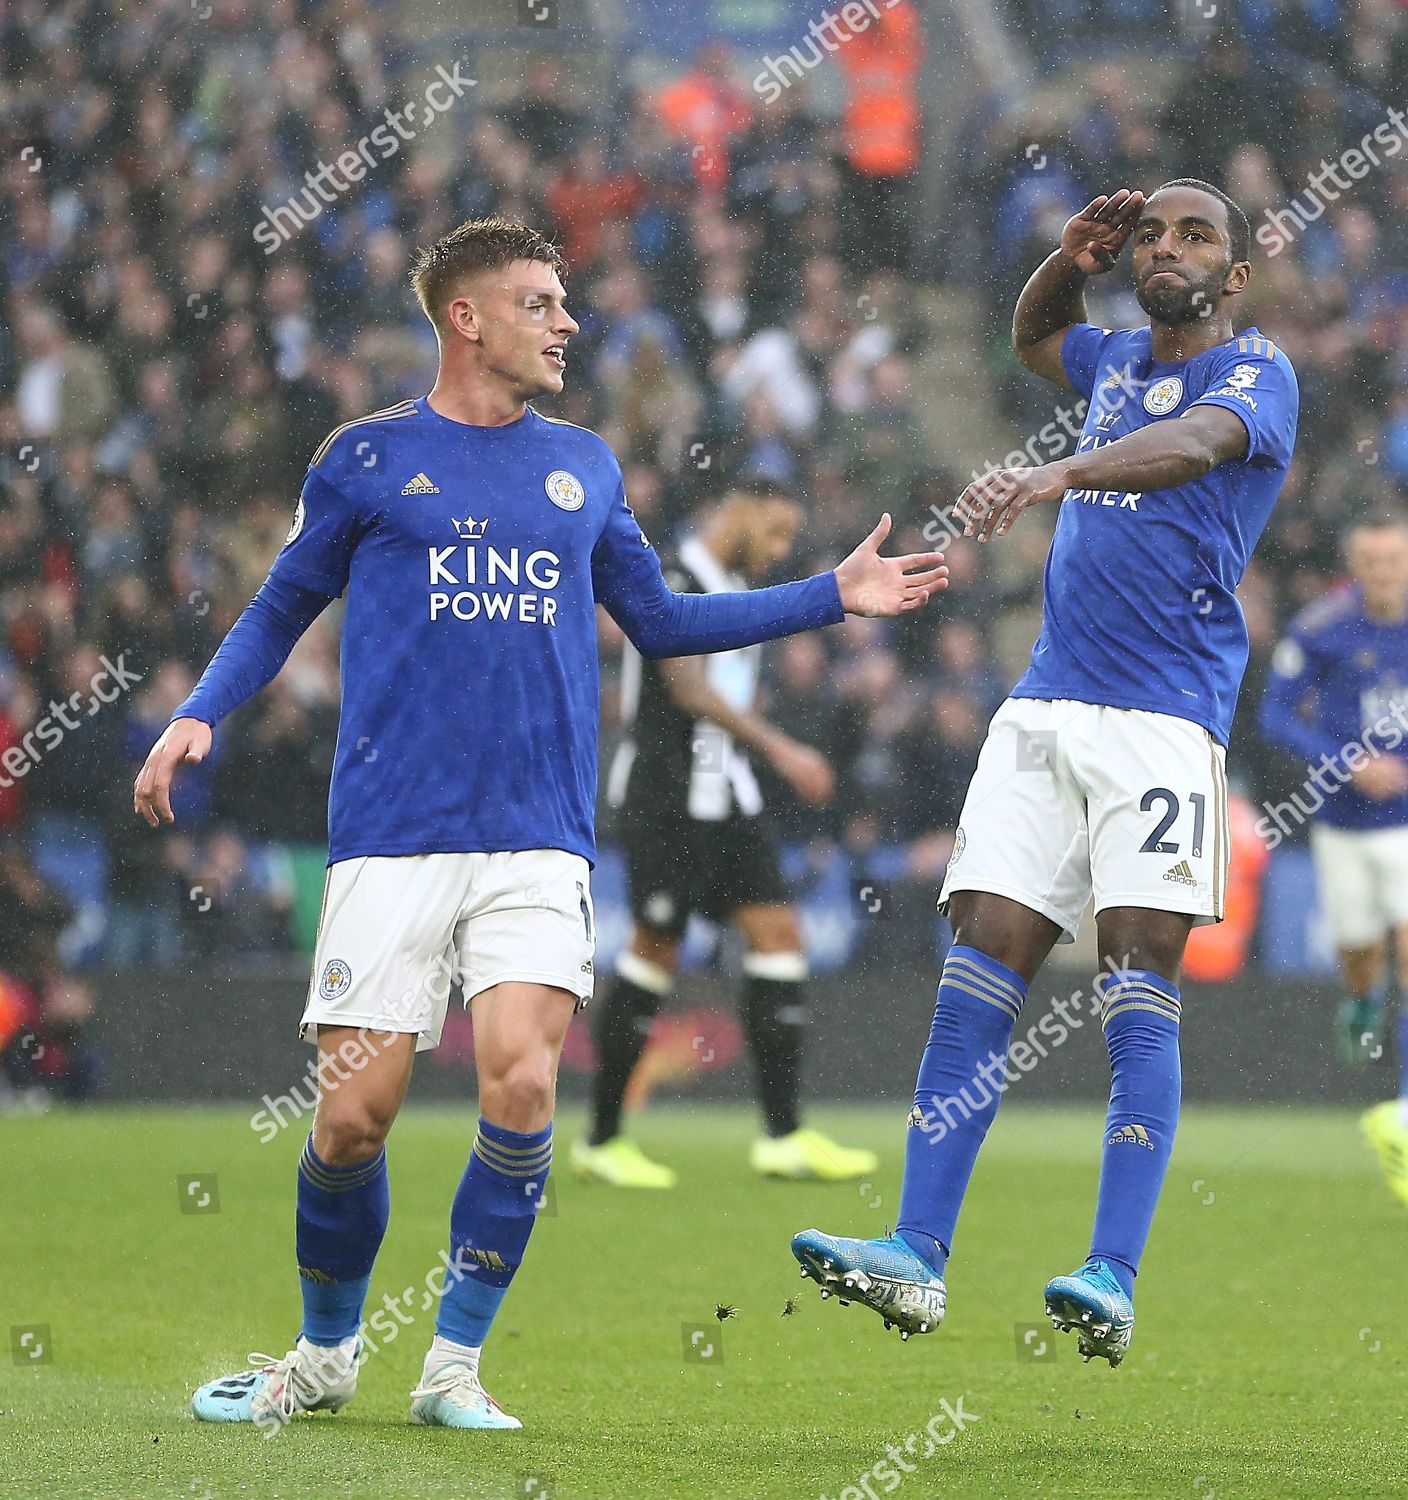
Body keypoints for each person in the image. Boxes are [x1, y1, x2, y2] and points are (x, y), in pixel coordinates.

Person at [132, 217, 948, 1433]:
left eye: (565, 302)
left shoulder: (585, 467)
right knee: (352, 1119)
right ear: (464, 318)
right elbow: (279, 604)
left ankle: (453, 1365)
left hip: (537, 835)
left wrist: (828, 596)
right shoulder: (364, 459)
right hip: (392, 832)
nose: (567, 322)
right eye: (538, 302)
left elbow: (662, 623)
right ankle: (323, 1353)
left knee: (519, 1087)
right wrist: (200, 713)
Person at [790, 180, 1298, 1367]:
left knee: (1134, 982)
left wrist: (1055, 477)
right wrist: (1065, 262)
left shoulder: (1256, 371)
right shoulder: (1111, 350)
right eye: (1154, 232)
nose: (1167, 246)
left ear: (1231, 277)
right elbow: (1027, 336)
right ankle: (916, 1254)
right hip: (1045, 709)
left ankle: (1111, 1274)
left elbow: (1191, 448)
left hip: (1164, 724)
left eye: (1196, 236)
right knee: (979, 962)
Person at [577, 478, 878, 1188]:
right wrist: (783, 748)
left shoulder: (736, 584)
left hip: (726, 798)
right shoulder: (675, 576)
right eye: (772, 533)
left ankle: (783, 1135)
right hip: (666, 797)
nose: (779, 551)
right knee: (655, 952)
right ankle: (602, 1139)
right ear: (735, 512)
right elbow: (687, 689)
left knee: (780, 938)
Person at [1258, 512, 1408, 1201]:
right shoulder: (1323, 628)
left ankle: (1403, 1107)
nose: (1385, 574)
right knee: (1360, 955)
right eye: (1373, 563)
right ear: (1356, 565)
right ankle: (1359, 1001)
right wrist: (1346, 760)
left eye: (1395, 562)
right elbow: (1276, 715)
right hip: (1343, 823)